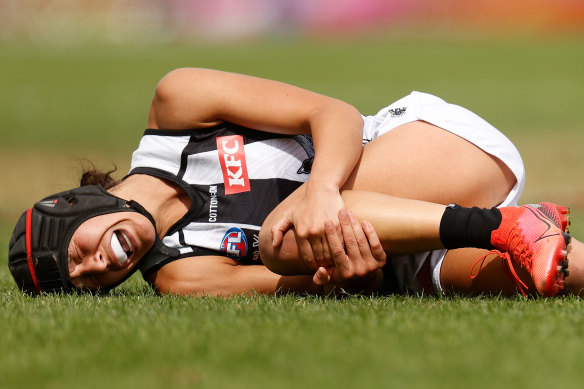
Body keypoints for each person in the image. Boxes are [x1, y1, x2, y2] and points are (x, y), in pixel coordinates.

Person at [6, 68, 578, 297]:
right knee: (552, 277)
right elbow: (307, 285)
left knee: (281, 236)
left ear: (76, 205)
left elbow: (337, 115)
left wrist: (321, 196)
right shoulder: (181, 276)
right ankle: (526, 237)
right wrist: (336, 274)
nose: (93, 269)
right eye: (81, 283)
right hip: (396, 255)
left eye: (73, 253)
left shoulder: (178, 104)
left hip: (436, 150)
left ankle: (504, 224)